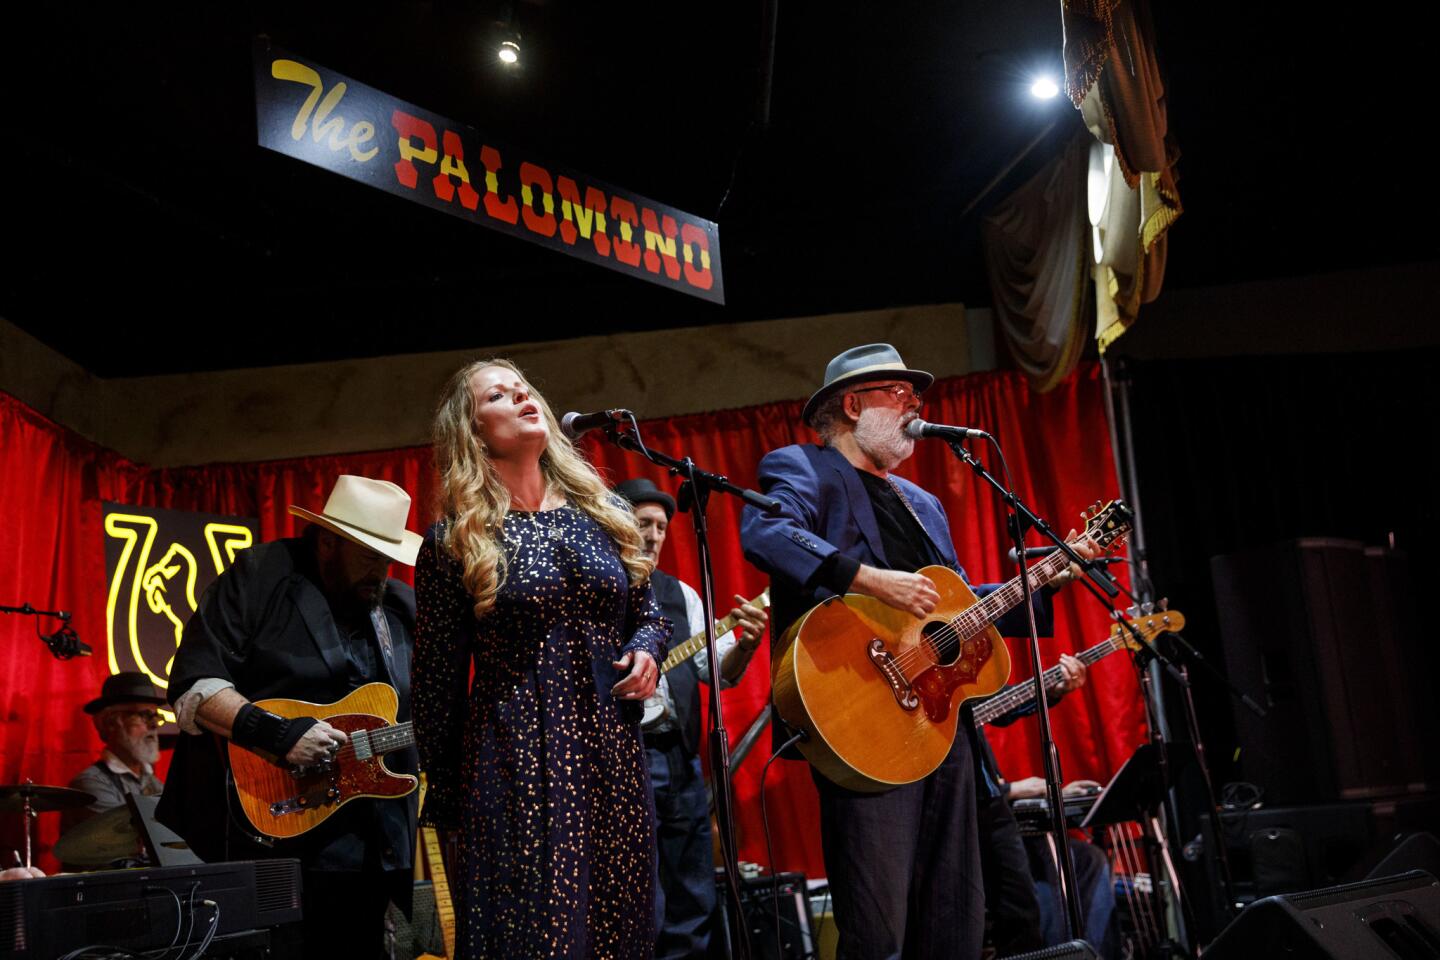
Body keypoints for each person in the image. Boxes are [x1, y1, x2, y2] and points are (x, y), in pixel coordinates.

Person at [739, 343, 1097, 960]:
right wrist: (870, 580)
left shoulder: (923, 503)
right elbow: (768, 533)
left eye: (917, 395)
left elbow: (953, 611)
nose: (915, 404)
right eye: (897, 392)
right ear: (852, 405)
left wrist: (1048, 575)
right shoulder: (801, 466)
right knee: (878, 929)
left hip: (939, 726)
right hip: (861, 715)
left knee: (956, 920)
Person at [413, 359, 672, 959]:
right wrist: (450, 807)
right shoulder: (456, 541)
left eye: (525, 389)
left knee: (620, 932)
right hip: (516, 764)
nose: (522, 397)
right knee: (542, 937)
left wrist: (646, 650)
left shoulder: (600, 515)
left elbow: (650, 616)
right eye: (499, 396)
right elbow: (435, 687)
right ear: (473, 431)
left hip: (611, 755)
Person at [156, 474, 423, 959]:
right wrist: (277, 734)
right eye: (368, 557)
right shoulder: (261, 576)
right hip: (274, 838)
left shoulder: (399, 608)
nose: (380, 573)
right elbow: (195, 683)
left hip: (376, 844)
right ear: (326, 542)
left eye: (386, 559)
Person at [614, 477, 768, 960]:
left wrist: (744, 644)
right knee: (636, 894)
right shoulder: (595, 593)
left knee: (691, 890)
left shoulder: (680, 594)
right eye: (643, 523)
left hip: (679, 759)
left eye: (660, 526)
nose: (655, 535)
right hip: (621, 759)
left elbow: (716, 671)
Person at [64, 672, 166, 835]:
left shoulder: (152, 781)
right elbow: (126, 837)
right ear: (111, 722)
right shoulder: (89, 785)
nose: (154, 725)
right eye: (144, 716)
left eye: (156, 716)